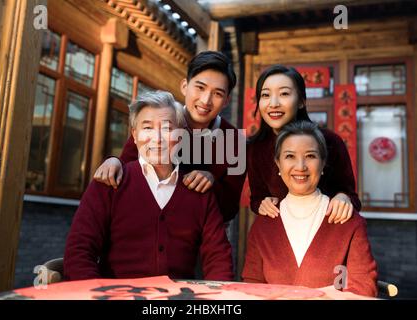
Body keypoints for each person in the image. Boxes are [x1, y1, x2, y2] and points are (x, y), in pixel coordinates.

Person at [64, 91, 233, 281]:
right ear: (134, 136)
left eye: (167, 128)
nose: (157, 138)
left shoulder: (199, 191)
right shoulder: (109, 183)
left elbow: (219, 258)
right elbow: (78, 252)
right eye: (147, 128)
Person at [93, 51, 246, 223]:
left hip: (201, 234)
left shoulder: (237, 142)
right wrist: (114, 161)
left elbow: (231, 208)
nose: (205, 100)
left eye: (217, 93)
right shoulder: (160, 119)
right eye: (200, 87)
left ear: (226, 100)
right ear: (184, 86)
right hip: (145, 222)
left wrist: (211, 183)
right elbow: (127, 165)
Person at [242, 121, 377, 297]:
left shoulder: (349, 222)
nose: (300, 167)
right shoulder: (264, 224)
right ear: (278, 164)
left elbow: (363, 290)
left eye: (310, 156)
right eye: (290, 156)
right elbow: (252, 288)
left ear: (323, 164)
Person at [248, 65, 361, 224]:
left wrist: (344, 197)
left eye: (284, 93)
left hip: (326, 232)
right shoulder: (255, 147)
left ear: (301, 101)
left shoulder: (330, 141)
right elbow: (257, 198)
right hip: (282, 235)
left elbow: (351, 197)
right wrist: (262, 203)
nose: (273, 103)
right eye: (265, 95)